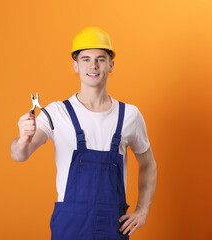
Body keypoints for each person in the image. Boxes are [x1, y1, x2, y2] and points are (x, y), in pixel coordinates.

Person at [10, 26, 157, 240]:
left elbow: (148, 164)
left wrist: (142, 211)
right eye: (86, 59)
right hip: (69, 226)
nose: (93, 65)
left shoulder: (129, 115)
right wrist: (23, 139)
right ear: (75, 65)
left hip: (113, 226)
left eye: (101, 59)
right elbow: (18, 155)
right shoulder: (56, 113)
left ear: (111, 65)